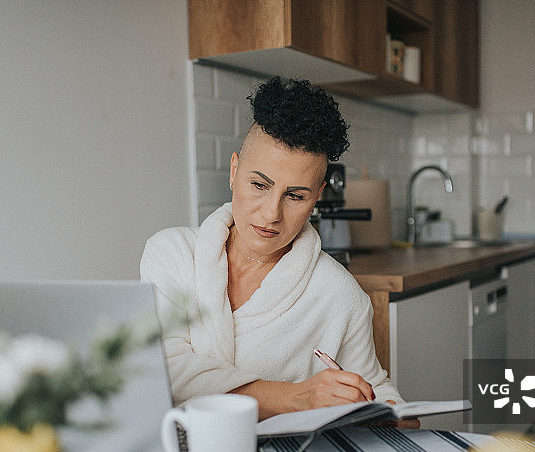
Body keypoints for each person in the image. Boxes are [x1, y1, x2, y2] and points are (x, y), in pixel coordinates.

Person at [141, 76, 403, 420]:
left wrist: (395, 415)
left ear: (317, 196)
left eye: (295, 196)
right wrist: (296, 398)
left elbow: (375, 392)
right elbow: (165, 369)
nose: (271, 213)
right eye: (258, 185)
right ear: (234, 171)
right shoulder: (172, 254)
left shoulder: (339, 294)